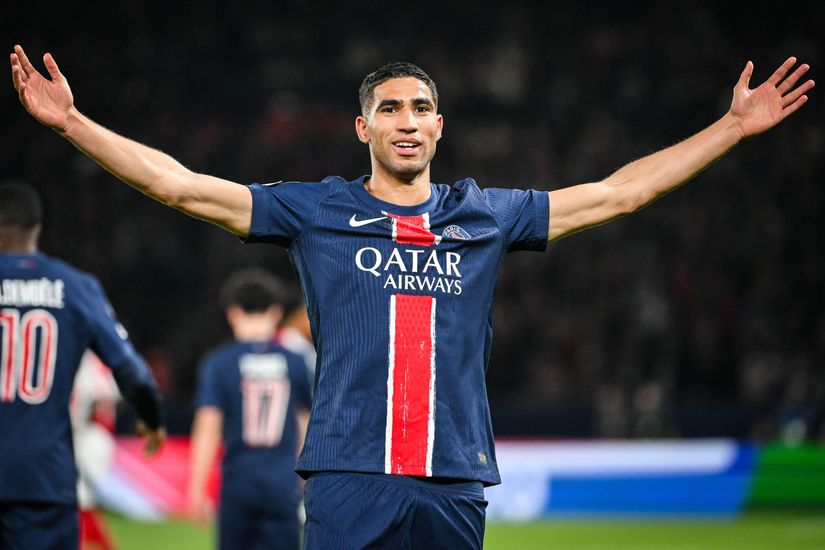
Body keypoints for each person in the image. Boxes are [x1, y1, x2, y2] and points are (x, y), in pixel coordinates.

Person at [10, 45, 813, 548]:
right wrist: (74, 125)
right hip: (346, 479)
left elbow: (616, 194)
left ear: (439, 128)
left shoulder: (485, 215)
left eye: (420, 108)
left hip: (452, 481)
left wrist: (729, 130)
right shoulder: (316, 209)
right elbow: (183, 188)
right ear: (362, 128)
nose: (406, 120)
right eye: (388, 108)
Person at [0, 179, 166, 550]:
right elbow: (133, 373)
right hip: (42, 478)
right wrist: (151, 418)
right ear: (36, 228)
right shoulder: (74, 286)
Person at [186, 268, 312, 550]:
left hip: (238, 483)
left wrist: (196, 488)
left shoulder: (219, 363)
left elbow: (208, 425)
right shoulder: (294, 362)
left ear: (232, 313)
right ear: (276, 312)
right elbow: (305, 421)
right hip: (282, 483)